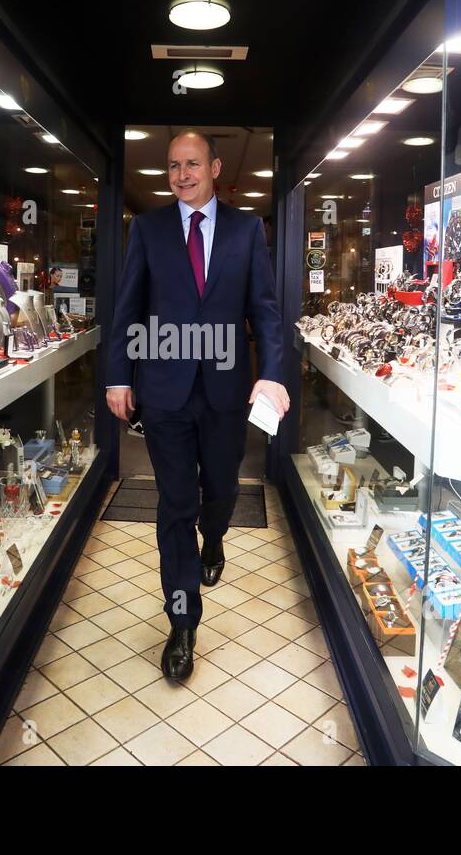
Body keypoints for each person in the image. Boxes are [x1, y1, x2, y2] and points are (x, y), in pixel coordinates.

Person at [106, 130, 288, 681]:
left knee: (224, 489)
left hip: (227, 390)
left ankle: (216, 537)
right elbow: (129, 304)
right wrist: (118, 376)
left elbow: (265, 309)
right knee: (175, 503)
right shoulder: (150, 229)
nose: (182, 174)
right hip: (163, 392)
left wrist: (273, 375)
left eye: (192, 164)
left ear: (215, 166)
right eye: (172, 166)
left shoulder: (246, 228)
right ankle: (182, 621)